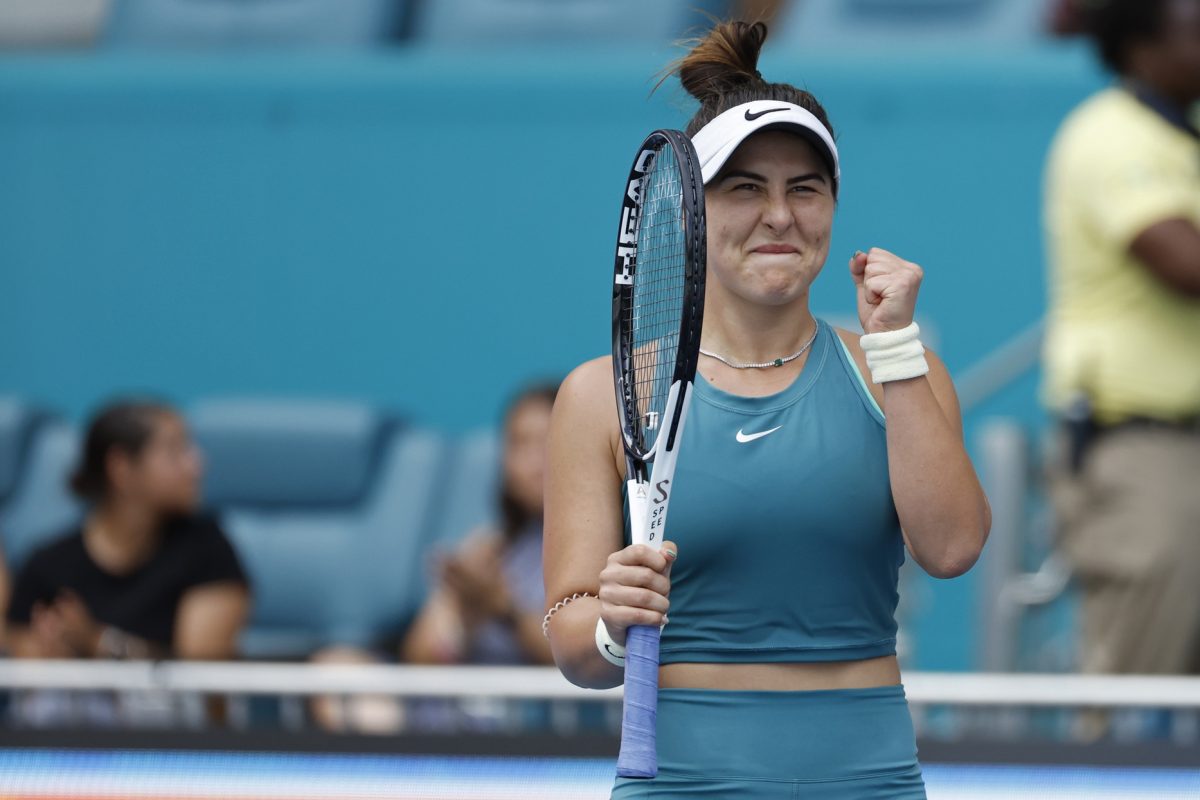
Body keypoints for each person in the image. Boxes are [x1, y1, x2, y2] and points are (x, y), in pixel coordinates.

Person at [544, 20, 990, 798]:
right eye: (745, 188)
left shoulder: (898, 367)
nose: (779, 216)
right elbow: (574, 646)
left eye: (804, 188)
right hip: (676, 781)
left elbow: (951, 549)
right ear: (690, 209)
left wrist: (895, 348)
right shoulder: (598, 395)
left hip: (869, 781)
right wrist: (613, 623)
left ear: (833, 205)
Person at [1043, 0, 1200, 676]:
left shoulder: (1174, 135)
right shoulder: (1112, 134)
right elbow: (1185, 264)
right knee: (1136, 697)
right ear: (1139, 45)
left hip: (1174, 446)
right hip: (1141, 451)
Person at [7, 400, 250, 663]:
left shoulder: (207, 549)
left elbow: (204, 681)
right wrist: (53, 659)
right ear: (120, 467)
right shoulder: (47, 566)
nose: (197, 464)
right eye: (175, 451)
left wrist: (100, 643)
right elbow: (20, 668)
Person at [402, 382, 557, 666]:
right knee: (339, 662)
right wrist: (459, 606)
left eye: (547, 442)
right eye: (520, 444)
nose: (535, 463)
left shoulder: (601, 549)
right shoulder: (488, 548)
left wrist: (505, 611)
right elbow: (420, 659)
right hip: (457, 707)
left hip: (534, 709)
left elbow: (586, 658)